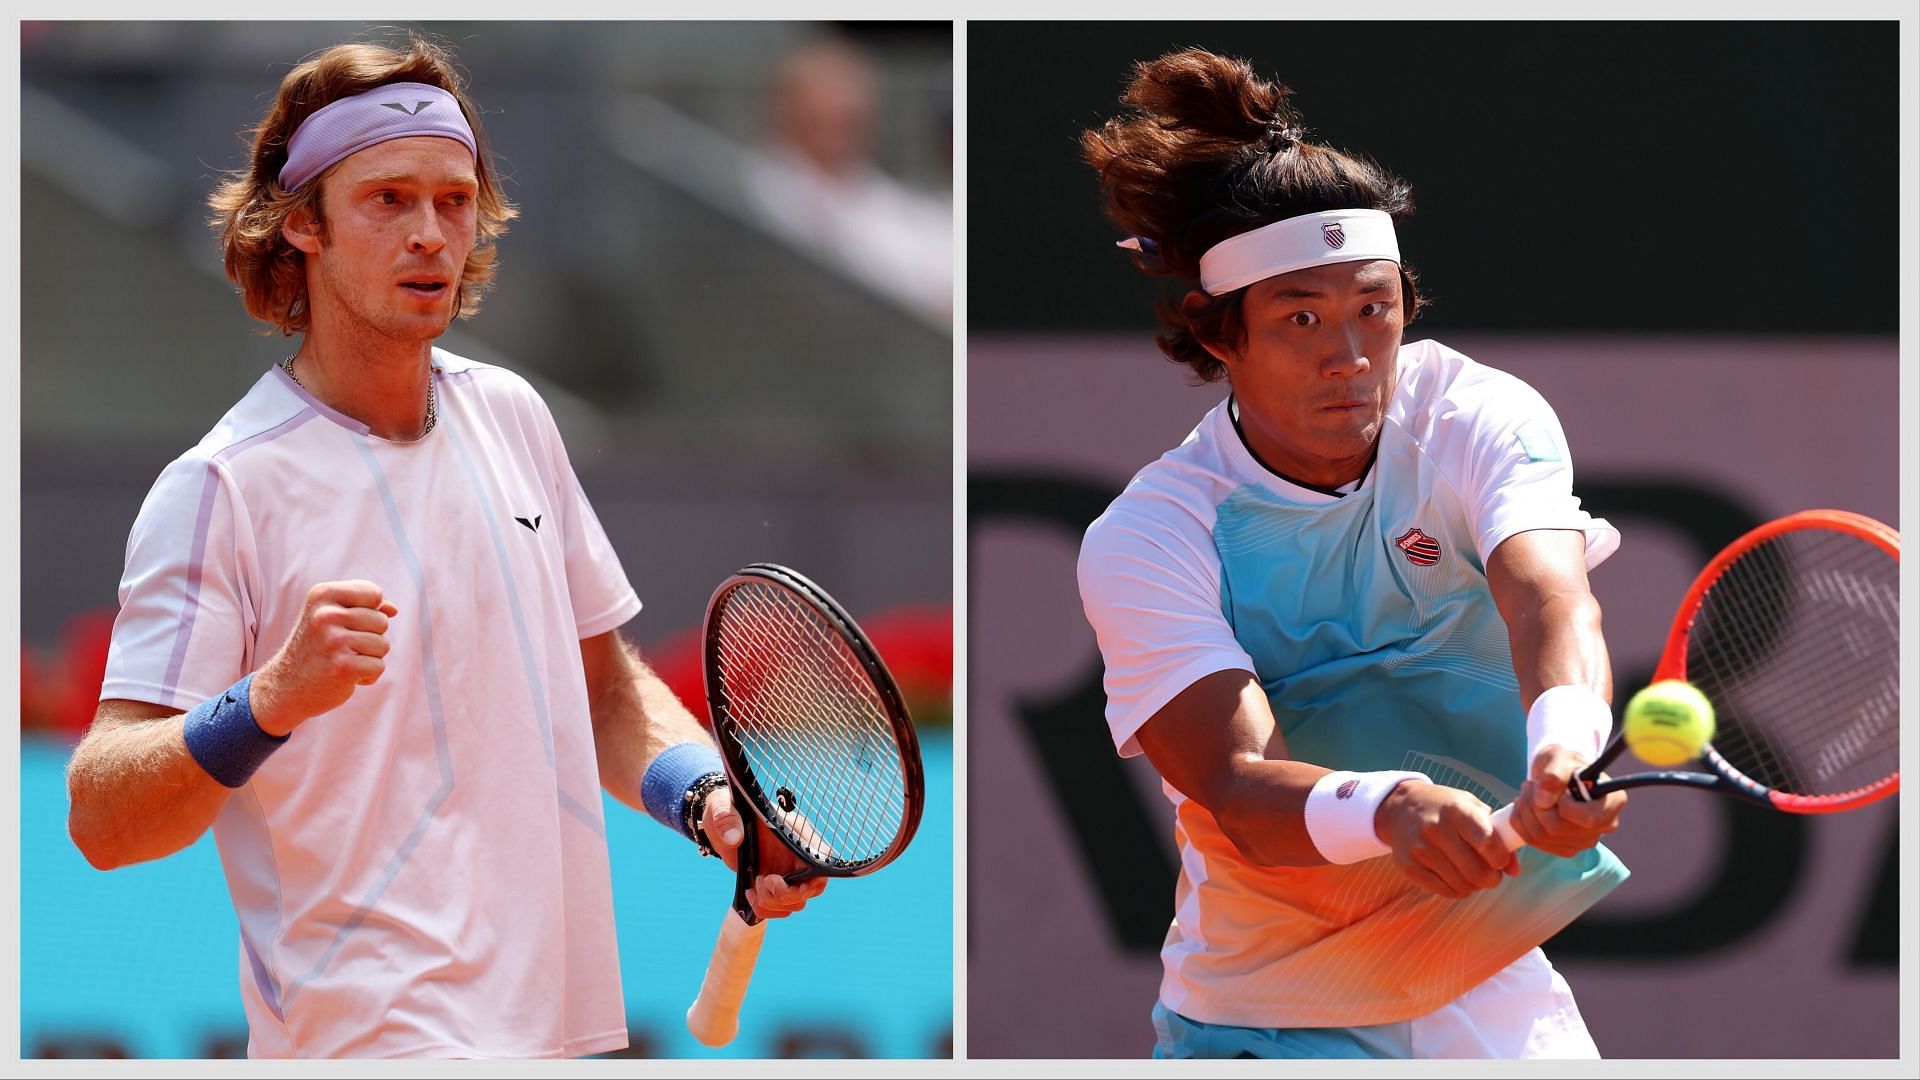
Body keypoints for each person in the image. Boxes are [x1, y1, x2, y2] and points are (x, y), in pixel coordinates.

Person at [64, 36, 821, 1059]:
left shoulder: (514, 416)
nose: (431, 234)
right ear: (301, 224)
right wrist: (269, 701)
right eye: (387, 201)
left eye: (453, 201)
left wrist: (708, 799)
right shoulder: (219, 487)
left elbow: (596, 689)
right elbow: (105, 820)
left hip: (557, 1029)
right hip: (370, 1043)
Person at [1074, 48, 1631, 1060]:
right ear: (1218, 338)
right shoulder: (1151, 536)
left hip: (1486, 973)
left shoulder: (1476, 413)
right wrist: (1395, 806)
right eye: (1300, 318)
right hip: (1270, 1015)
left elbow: (1549, 599)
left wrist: (1565, 739)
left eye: (1375, 307)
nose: (1351, 354)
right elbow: (1240, 787)